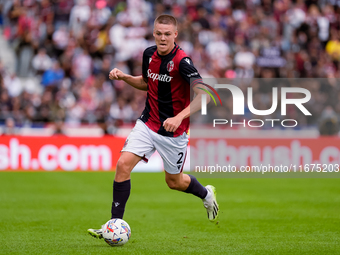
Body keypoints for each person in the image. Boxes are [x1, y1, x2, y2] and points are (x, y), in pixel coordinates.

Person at [87, 14, 219, 239]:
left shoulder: (182, 62)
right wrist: (125, 77)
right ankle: (113, 224)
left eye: (167, 34)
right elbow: (147, 83)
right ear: (154, 33)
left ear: (175, 35)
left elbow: (206, 95)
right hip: (148, 122)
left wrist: (179, 117)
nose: (162, 38)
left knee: (173, 182)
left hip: (173, 132)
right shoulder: (149, 54)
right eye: (159, 33)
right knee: (122, 165)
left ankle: (206, 194)